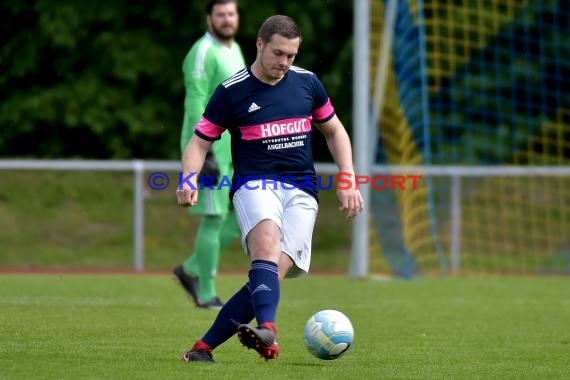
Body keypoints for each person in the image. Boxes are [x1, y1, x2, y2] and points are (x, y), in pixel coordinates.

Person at [176, 15, 364, 362]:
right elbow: (199, 142)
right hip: (255, 184)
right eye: (278, 54)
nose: (285, 63)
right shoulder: (232, 92)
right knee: (265, 246)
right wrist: (189, 178)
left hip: (303, 190)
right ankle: (269, 330)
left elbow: (335, 131)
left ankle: (202, 349)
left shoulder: (307, 83)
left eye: (291, 56)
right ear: (260, 44)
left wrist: (348, 176)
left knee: (270, 276)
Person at [172, 0, 245, 310]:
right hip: (210, 148)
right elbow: (195, 104)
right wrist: (204, 154)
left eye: (231, 13)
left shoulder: (235, 49)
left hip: (234, 147)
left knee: (245, 217)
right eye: (221, 14)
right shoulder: (203, 52)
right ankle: (206, 293)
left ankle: (189, 270)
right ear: (209, 18)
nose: (227, 19)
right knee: (214, 218)